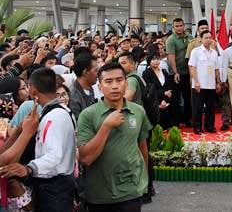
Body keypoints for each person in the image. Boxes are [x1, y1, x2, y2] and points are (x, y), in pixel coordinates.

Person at [77, 62, 150, 212]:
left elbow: (142, 146)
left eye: (119, 80)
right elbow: (86, 158)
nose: (115, 86)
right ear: (99, 86)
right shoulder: (88, 115)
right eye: (108, 81)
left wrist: (144, 180)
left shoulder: (138, 111)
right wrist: (106, 126)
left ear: (126, 83)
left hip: (131, 191)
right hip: (100, 194)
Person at [0, 68, 76, 212]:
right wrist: (23, 132)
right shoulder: (59, 112)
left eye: (26, 87)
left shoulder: (54, 116)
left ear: (33, 90)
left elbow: (54, 155)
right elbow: (2, 160)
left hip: (55, 189)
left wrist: (29, 168)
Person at [188, 30, 221, 134]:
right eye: (206, 38)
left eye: (210, 37)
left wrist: (218, 82)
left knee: (211, 107)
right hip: (199, 84)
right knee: (197, 107)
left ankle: (209, 126)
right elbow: (192, 67)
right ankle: (197, 127)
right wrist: (196, 81)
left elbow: (216, 69)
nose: (208, 40)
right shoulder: (196, 51)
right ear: (200, 39)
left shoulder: (214, 52)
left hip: (211, 84)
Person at [165, 18, 193, 127]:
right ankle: (175, 122)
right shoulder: (171, 40)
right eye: (176, 26)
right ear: (173, 27)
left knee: (188, 98)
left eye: (181, 25)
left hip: (188, 72)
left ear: (184, 26)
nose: (179, 28)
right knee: (175, 99)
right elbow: (171, 57)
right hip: (175, 73)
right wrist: (175, 72)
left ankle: (187, 119)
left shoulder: (190, 38)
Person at [142, 47, 174, 129]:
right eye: (153, 59)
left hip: (166, 102)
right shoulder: (146, 73)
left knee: (167, 127)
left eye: (157, 59)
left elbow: (169, 87)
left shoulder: (164, 71)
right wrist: (163, 93)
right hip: (154, 104)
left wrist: (165, 99)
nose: (156, 61)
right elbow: (149, 90)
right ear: (149, 61)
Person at [69, 53, 98, 119]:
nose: (98, 74)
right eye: (96, 70)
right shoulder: (73, 97)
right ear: (85, 72)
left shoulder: (89, 88)